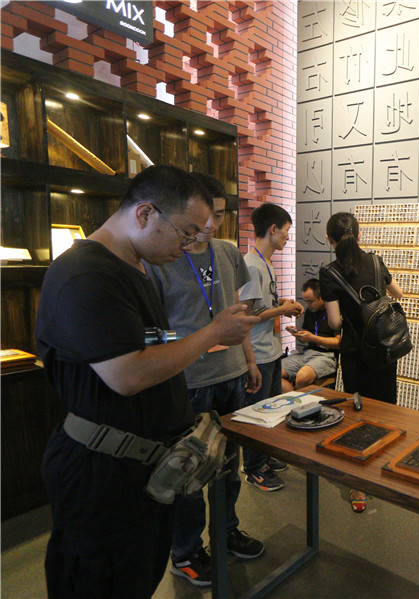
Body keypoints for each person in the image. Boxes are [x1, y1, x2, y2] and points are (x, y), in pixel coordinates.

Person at [35, 165, 259, 599]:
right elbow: (128, 374)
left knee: (135, 578)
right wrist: (212, 333)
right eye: (186, 232)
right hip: (101, 477)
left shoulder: (132, 268)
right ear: (144, 214)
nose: (191, 244)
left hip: (140, 474)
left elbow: (156, 347)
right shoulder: (87, 275)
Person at [146, 172, 265, 587]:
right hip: (189, 381)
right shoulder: (161, 258)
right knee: (191, 472)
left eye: (220, 215)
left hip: (231, 376)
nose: (213, 224)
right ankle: (186, 551)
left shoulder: (228, 253)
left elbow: (238, 314)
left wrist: (248, 359)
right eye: (208, 215)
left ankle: (227, 528)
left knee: (229, 467)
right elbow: (152, 333)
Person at [319, 211, 403, 512]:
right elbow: (398, 293)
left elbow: (334, 322)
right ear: (359, 234)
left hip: (355, 353)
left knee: (358, 412)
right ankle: (384, 469)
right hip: (383, 350)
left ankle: (358, 486)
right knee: (384, 409)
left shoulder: (329, 272)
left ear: (330, 240)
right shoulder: (377, 261)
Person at [238, 202, 304, 491]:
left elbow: (262, 306)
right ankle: (253, 468)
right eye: (286, 232)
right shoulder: (251, 266)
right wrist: (280, 311)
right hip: (259, 352)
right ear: (273, 229)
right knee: (258, 413)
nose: (288, 238)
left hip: (271, 350)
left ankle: (264, 458)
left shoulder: (264, 262)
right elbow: (246, 316)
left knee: (271, 408)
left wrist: (280, 305)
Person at [281, 278, 341, 393]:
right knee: (274, 372)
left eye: (311, 301)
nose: (308, 305)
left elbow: (339, 343)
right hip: (308, 352)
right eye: (305, 301)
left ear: (322, 297)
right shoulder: (310, 311)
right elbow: (306, 337)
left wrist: (312, 337)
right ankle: (292, 402)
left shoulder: (334, 312)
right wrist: (298, 333)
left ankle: (303, 406)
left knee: (302, 377)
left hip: (327, 355)